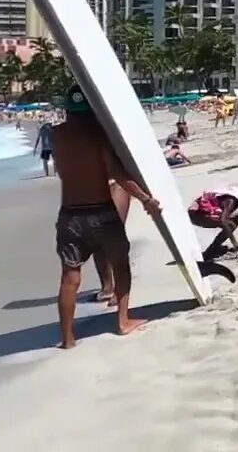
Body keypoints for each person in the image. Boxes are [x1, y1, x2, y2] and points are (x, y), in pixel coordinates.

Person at [51, 85, 161, 348]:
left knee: (70, 277)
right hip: (101, 212)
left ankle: (67, 339)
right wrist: (146, 199)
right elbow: (118, 174)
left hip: (69, 215)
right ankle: (122, 321)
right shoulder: (99, 135)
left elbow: (60, 170)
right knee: (120, 264)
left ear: (68, 110)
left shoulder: (56, 135)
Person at [188, 184, 238, 260]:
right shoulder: (232, 201)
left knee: (236, 219)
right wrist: (235, 243)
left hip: (203, 211)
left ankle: (215, 247)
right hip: (196, 213)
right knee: (230, 224)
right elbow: (223, 221)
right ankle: (210, 252)